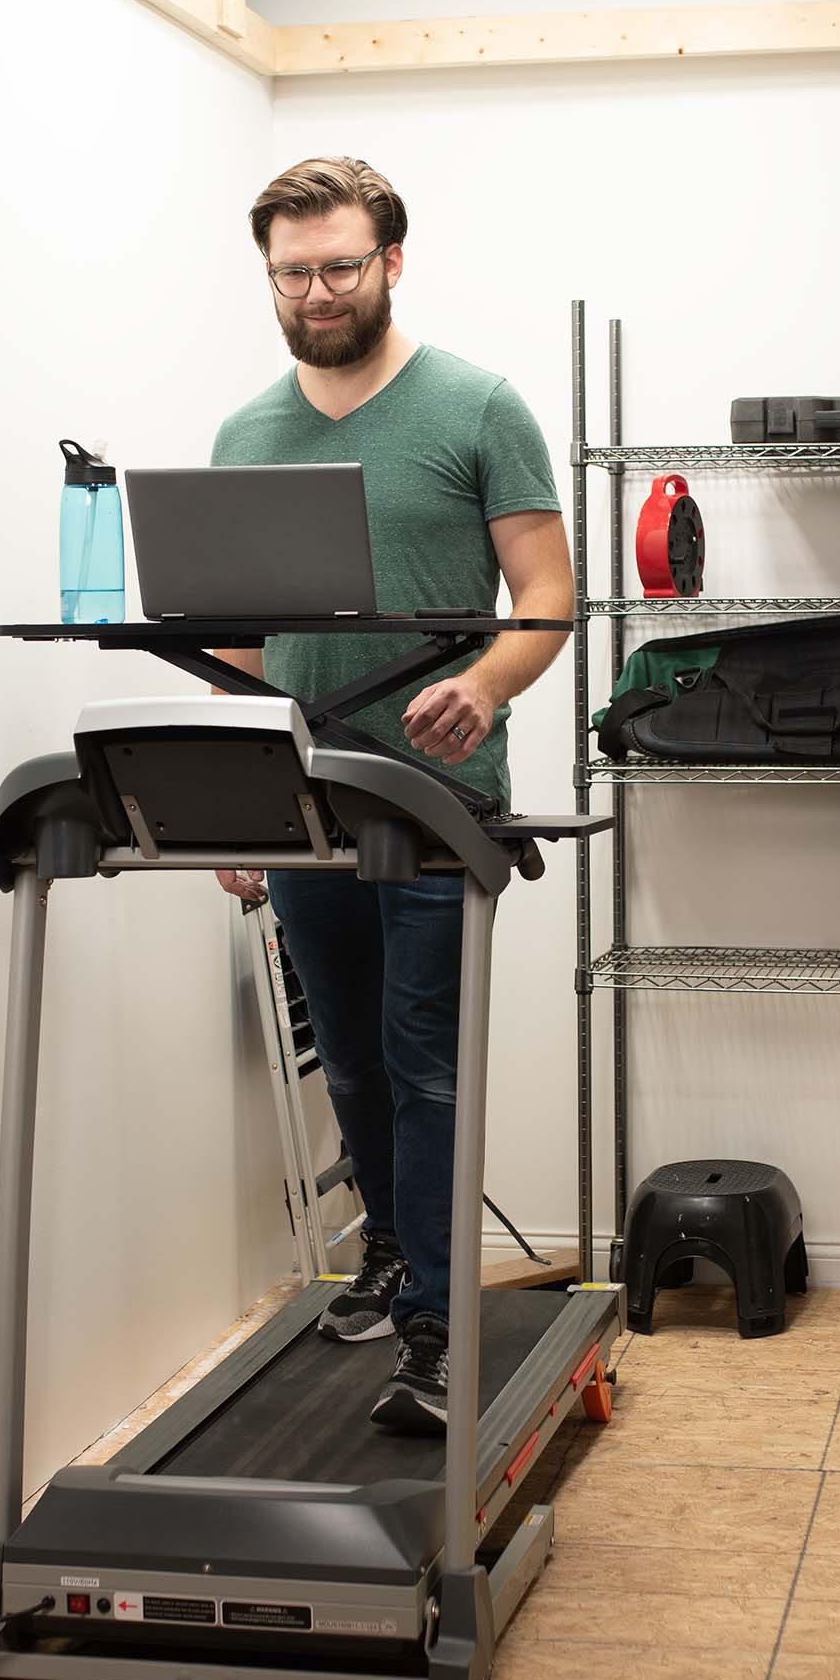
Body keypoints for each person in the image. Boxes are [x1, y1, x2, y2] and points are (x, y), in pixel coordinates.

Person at [208, 156, 570, 1430]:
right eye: (290, 272)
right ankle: (388, 1252)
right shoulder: (245, 434)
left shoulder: (478, 407)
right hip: (305, 802)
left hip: (436, 800)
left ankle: (432, 1330)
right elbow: (241, 649)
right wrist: (231, 796)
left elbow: (546, 601)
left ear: (391, 262)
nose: (315, 292)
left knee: (424, 1064)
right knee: (348, 1062)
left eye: (338, 266)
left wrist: (486, 682)